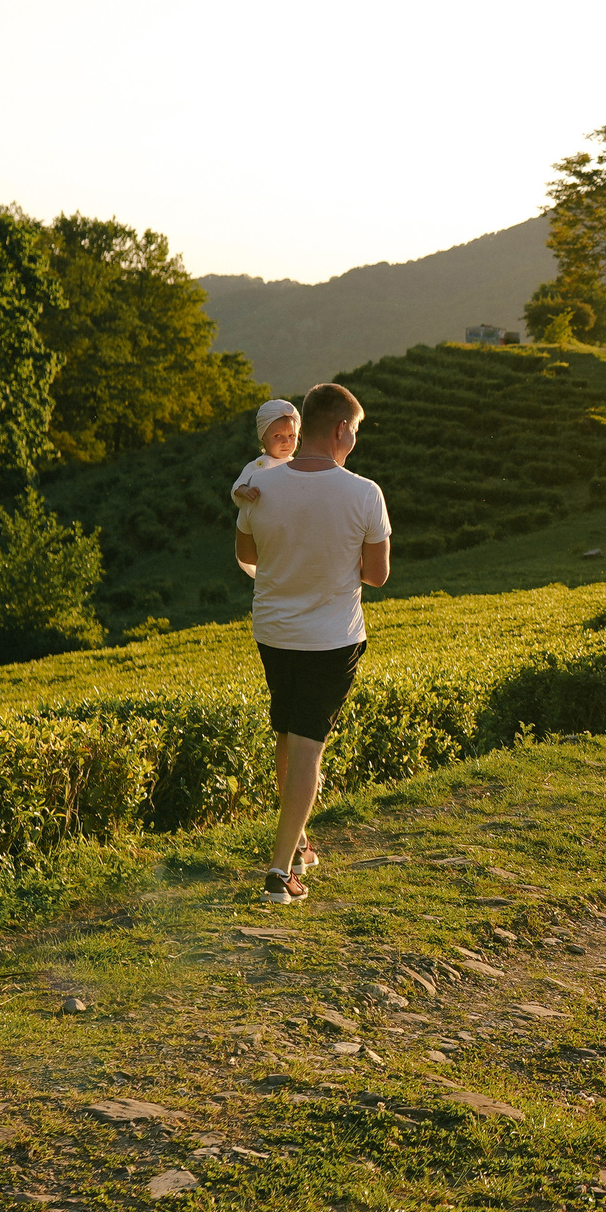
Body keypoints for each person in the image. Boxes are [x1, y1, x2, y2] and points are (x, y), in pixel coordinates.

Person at [234, 382, 392, 905]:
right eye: (356, 432)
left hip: (274, 633)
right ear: (342, 430)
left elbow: (247, 554)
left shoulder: (258, 487)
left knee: (287, 734)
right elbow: (377, 575)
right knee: (307, 746)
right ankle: (280, 872)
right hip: (330, 639)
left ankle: (299, 843)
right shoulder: (364, 492)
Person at [231, 398, 301, 575]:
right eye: (278, 436)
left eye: (291, 436)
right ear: (263, 437)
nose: (286, 442)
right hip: (266, 523)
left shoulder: (296, 464)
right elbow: (237, 486)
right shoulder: (259, 466)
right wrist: (246, 491)